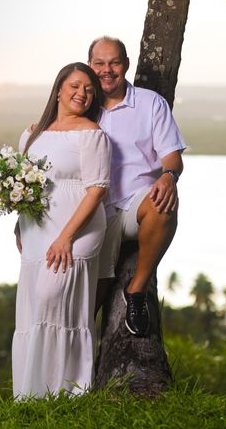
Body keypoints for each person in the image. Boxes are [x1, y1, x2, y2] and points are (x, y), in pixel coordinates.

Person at [12, 62, 112, 398]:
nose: (82, 93)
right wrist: (18, 223)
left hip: (77, 229)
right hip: (37, 228)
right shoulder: (32, 134)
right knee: (35, 307)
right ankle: (32, 394)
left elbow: (97, 189)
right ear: (58, 90)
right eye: (75, 86)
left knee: (53, 298)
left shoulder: (93, 134)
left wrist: (66, 237)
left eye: (88, 89)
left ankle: (69, 392)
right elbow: (25, 184)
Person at [88, 36, 186, 337]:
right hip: (93, 212)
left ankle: (136, 291)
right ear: (90, 65)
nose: (107, 70)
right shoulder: (83, 104)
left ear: (126, 64)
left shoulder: (149, 103)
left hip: (134, 205)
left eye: (114, 62)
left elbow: (172, 157)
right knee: (89, 304)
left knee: (163, 203)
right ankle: (77, 376)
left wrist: (169, 176)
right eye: (100, 63)